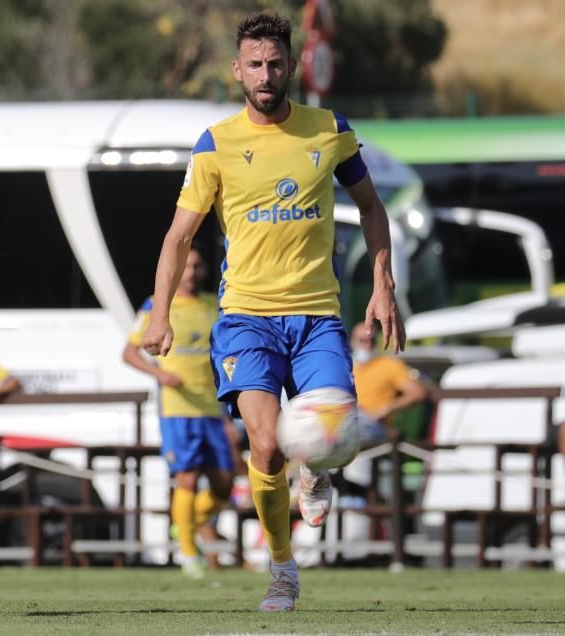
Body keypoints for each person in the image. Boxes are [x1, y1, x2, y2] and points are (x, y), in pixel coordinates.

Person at [141, 10, 405, 612]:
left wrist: (383, 285)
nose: (266, 74)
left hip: (316, 317)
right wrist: (160, 314)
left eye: (275, 63)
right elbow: (179, 237)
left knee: (339, 436)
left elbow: (371, 207)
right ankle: (283, 569)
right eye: (255, 64)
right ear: (237, 70)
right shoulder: (216, 144)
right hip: (245, 319)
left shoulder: (330, 130)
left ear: (292, 67)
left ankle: (317, 468)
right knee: (263, 447)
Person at [124, 246, 233, 578]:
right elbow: (129, 353)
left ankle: (187, 523)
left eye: (197, 266)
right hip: (177, 408)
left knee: (224, 484)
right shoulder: (157, 305)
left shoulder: (214, 305)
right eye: (186, 266)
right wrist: (161, 375)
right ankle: (188, 553)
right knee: (187, 477)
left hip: (212, 406)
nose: (191, 272)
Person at [351, 323, 428, 445]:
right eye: (362, 341)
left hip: (374, 425)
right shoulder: (344, 366)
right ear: (352, 342)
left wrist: (388, 408)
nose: (368, 345)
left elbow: (418, 392)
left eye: (372, 341)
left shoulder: (389, 365)